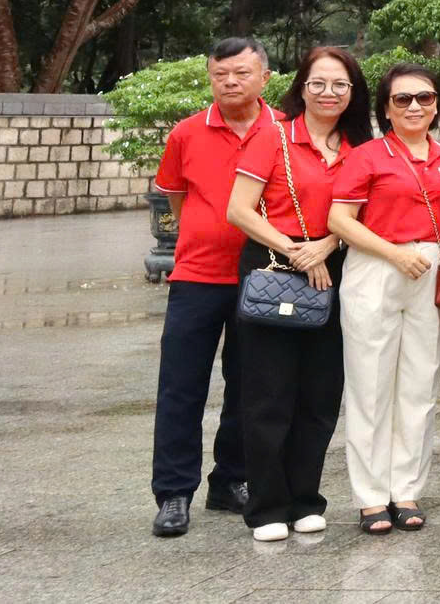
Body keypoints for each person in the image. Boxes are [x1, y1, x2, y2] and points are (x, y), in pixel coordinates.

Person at [224, 45, 375, 541]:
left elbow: (366, 213)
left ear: (353, 92)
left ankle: (306, 499)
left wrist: (327, 244)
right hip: (275, 265)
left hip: (336, 270)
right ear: (301, 87)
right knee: (268, 394)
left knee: (319, 393)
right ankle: (267, 506)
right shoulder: (274, 136)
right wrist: (295, 249)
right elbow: (239, 210)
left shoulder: (362, 145)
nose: (328, 93)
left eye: (339, 85)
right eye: (318, 83)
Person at [149, 37, 276, 538]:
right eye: (221, 74)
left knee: (251, 386)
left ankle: (231, 480)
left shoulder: (283, 131)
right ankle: (174, 493)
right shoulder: (186, 133)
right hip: (197, 277)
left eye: (241, 73)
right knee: (181, 387)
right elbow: (177, 199)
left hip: (262, 277)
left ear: (264, 77)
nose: (230, 82)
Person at [325, 66, 440, 535]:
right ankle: (370, 496)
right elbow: (340, 220)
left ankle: (405, 489)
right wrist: (394, 254)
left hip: (431, 271)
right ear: (386, 108)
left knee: (421, 386)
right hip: (377, 268)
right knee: (371, 385)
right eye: (403, 100)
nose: (415, 107)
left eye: (424, 97)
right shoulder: (366, 157)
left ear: (437, 104)